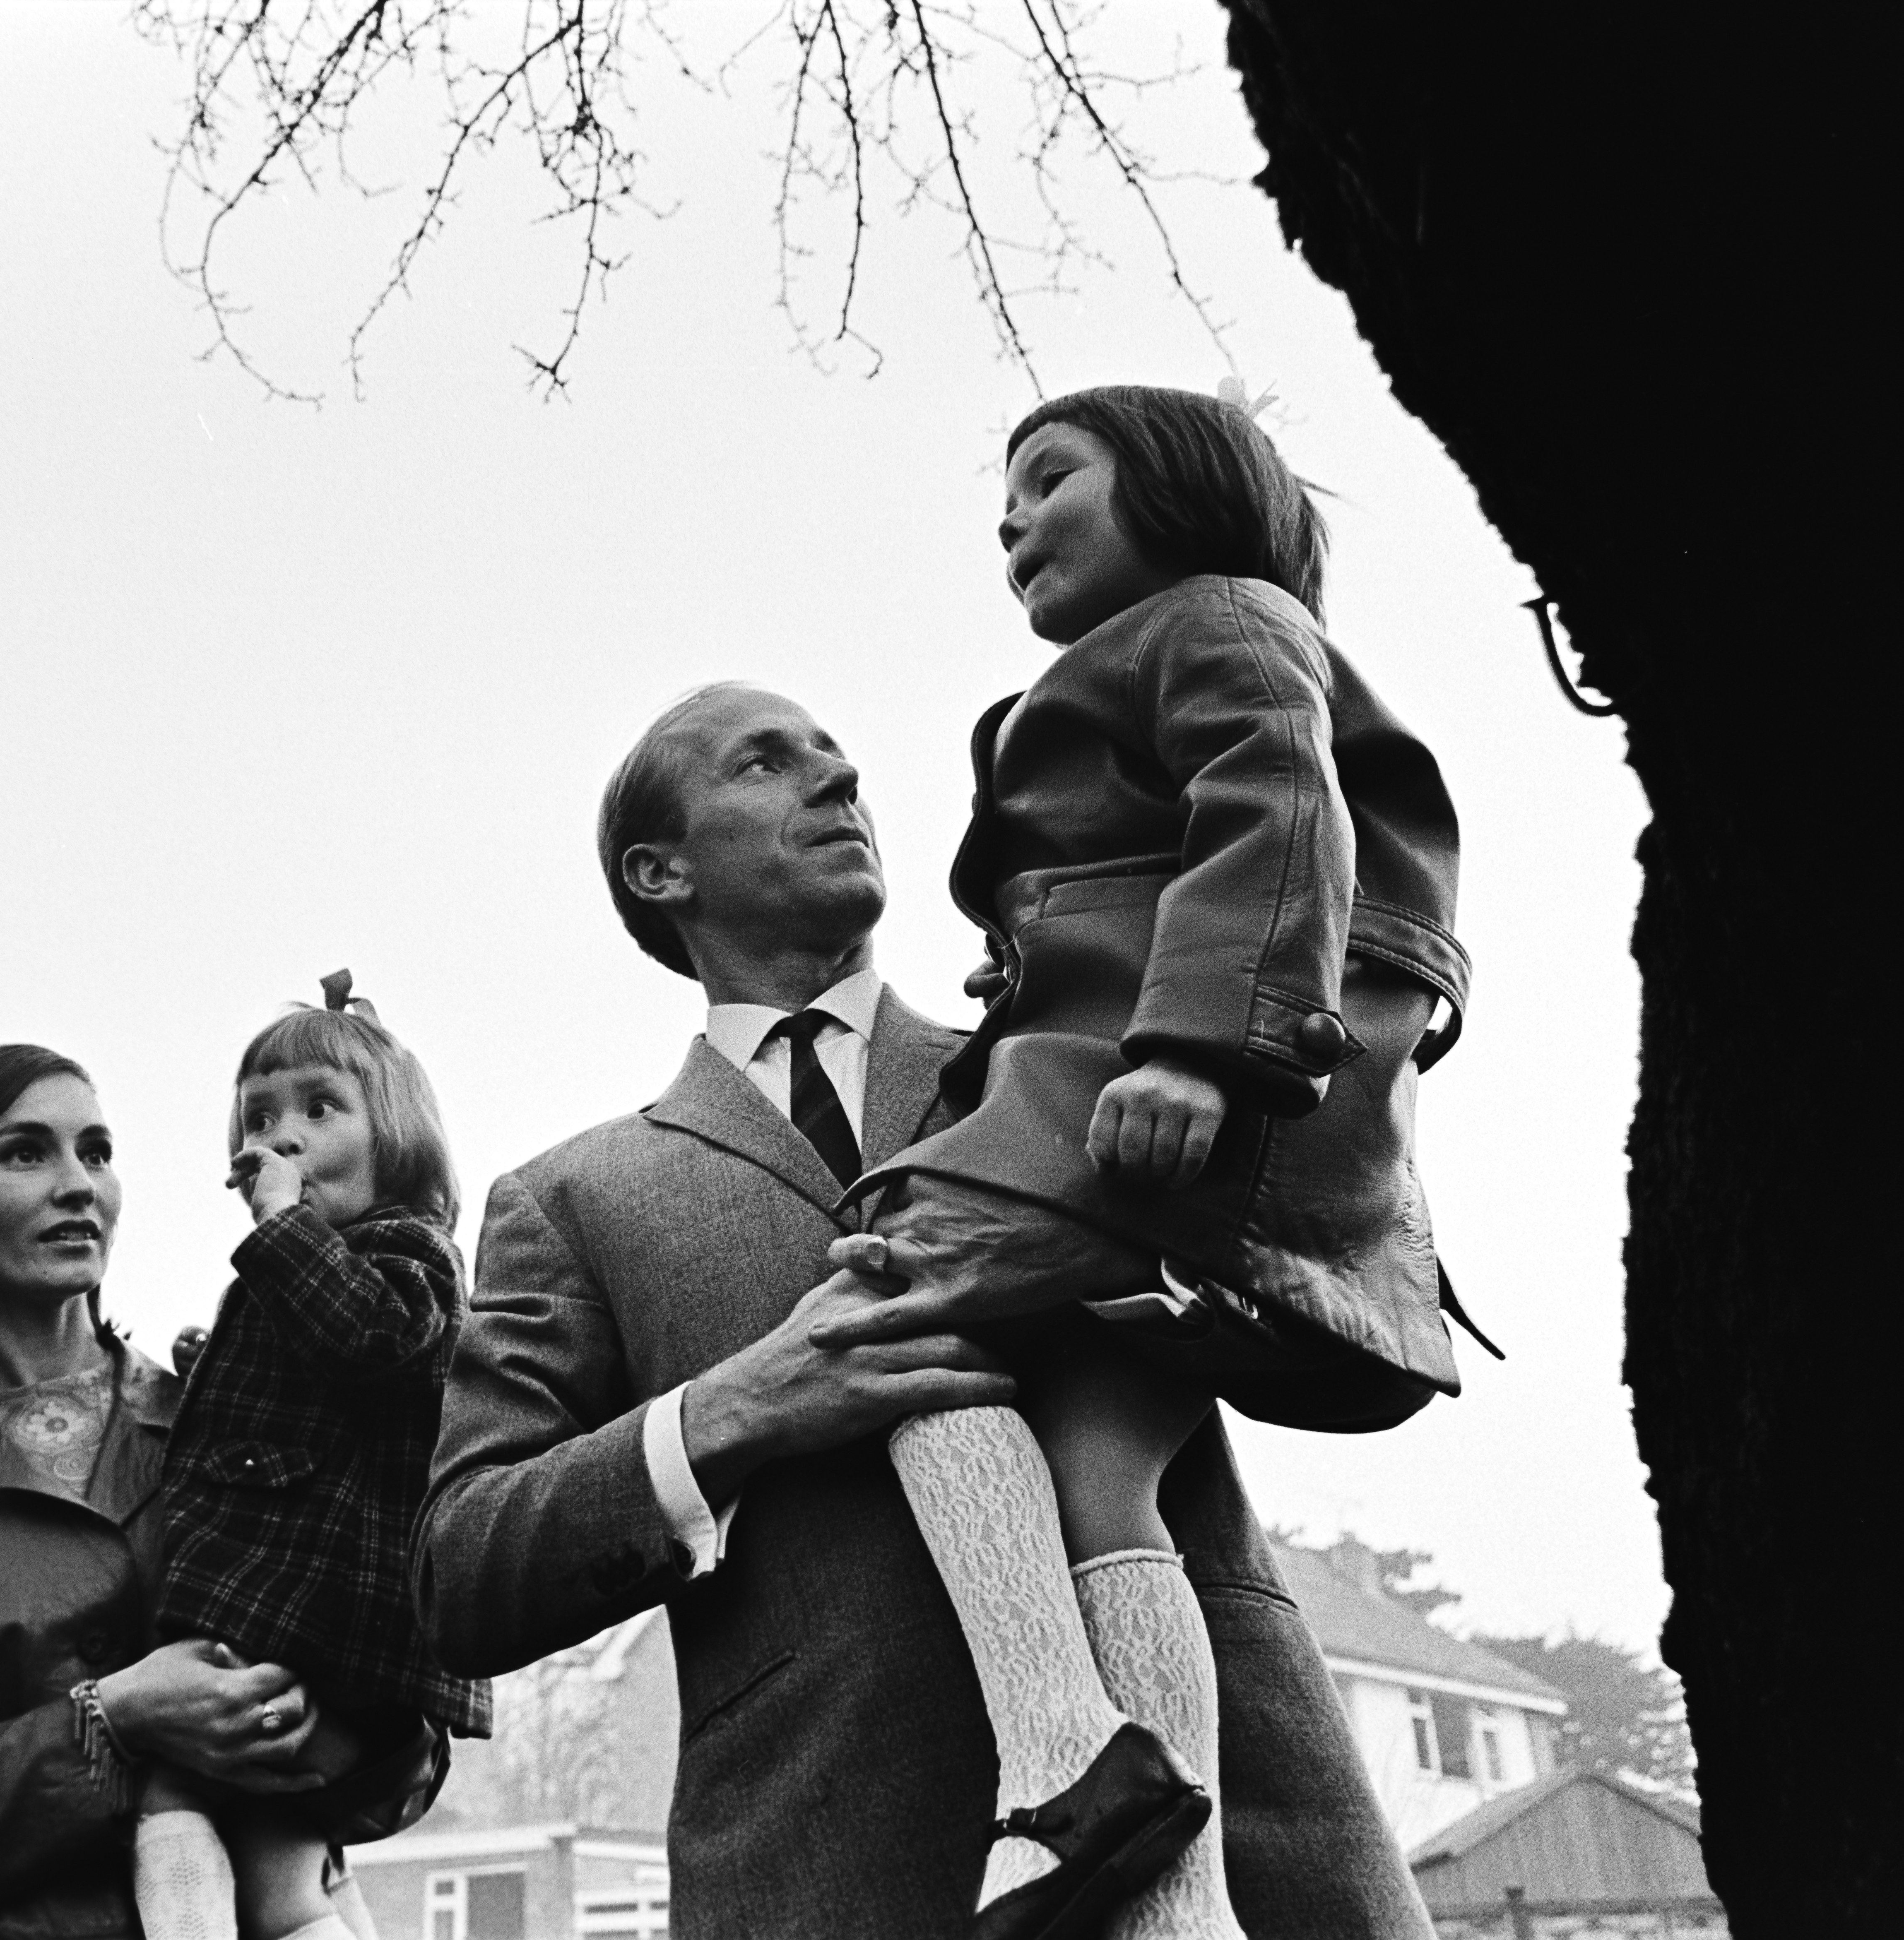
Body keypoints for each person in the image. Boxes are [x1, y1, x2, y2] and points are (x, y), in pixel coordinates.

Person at [413, 682, 1432, 1939]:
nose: (837, 782)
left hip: (1240, 1842)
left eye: (838, 761)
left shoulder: (1080, 1061)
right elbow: (460, 1573)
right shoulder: (569, 1200)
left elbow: (1365, 1317)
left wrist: (1140, 1279)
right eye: (764, 764)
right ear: (657, 870)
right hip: (831, 1869)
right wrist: (736, 1409)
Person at [827, 382, 1474, 1940]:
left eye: (1050, 476)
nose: (1008, 516)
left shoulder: (1219, 624)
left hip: (1154, 1091)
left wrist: (1190, 1041)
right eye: (1002, 495)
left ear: (1182, 495)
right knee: (1101, 1464)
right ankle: (1173, 1896)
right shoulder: (1171, 647)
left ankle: (1060, 1745)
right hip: (1162, 1106)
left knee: (885, 1307)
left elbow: (1272, 803)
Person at [0, 1045, 380, 1940]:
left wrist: (307, 1728)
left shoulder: (240, 1421)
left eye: (95, 1152)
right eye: (26, 1152)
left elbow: (408, 1735)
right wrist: (114, 1720)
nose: (77, 1185)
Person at [132, 974, 486, 1940]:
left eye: (318, 1109)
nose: (279, 1135)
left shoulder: (411, 1250)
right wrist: (213, 1368)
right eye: (258, 1116)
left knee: (211, 1792)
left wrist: (281, 1229)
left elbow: (377, 1342)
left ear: (396, 1140)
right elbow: (311, 1385)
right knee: (261, 1839)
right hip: (276, 1620)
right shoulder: (297, 1271)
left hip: (326, 1629)